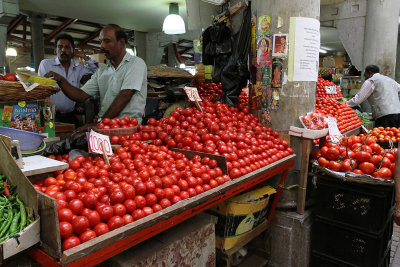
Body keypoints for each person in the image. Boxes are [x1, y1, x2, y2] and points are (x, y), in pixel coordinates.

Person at [45, 24, 147, 128]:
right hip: (106, 126)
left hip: (128, 128)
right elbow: (80, 96)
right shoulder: (102, 71)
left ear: (121, 42)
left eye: (107, 41)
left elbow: (125, 95)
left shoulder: (136, 63)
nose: (102, 46)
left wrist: (99, 124)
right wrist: (60, 80)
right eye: (100, 41)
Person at [38, 33, 99, 124]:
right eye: (60, 47)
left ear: (73, 51)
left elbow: (99, 72)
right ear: (55, 50)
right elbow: (41, 89)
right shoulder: (46, 64)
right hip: (50, 116)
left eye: (67, 47)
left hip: (70, 116)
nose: (63, 50)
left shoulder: (78, 69)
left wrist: (85, 57)